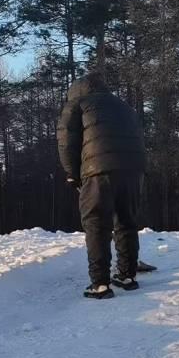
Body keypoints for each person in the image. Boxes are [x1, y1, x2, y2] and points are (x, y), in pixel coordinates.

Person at [57, 72, 146, 299]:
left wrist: (72, 174)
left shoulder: (78, 104)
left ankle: (100, 284)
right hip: (133, 169)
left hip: (97, 169)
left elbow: (66, 140)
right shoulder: (124, 106)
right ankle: (127, 276)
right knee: (127, 221)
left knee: (96, 223)